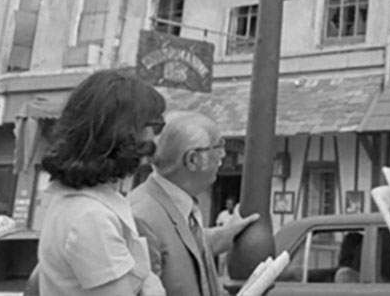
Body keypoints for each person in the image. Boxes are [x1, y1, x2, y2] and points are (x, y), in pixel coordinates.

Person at [36, 69, 168, 295]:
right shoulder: (91, 216)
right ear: (123, 132)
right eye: (153, 125)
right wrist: (151, 284)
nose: (153, 137)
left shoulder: (79, 201)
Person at [129, 111, 259, 296]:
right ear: (192, 159)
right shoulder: (142, 218)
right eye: (218, 147)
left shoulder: (182, 205)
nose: (222, 156)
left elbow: (183, 249)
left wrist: (225, 234)